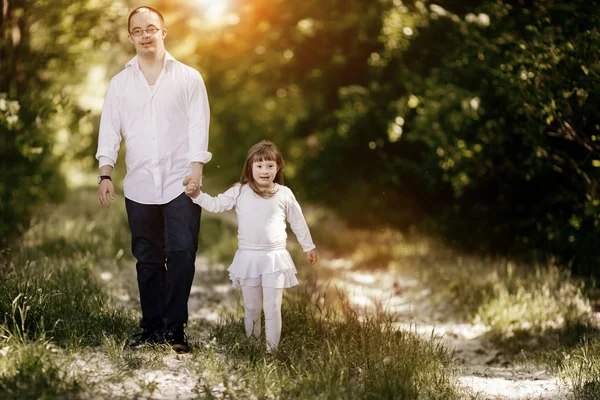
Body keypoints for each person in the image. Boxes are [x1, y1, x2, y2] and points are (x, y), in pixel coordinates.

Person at [95, 6, 211, 353]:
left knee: (181, 252)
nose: (145, 34)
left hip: (181, 181)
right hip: (140, 184)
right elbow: (109, 131)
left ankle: (175, 330)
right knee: (147, 258)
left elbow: (197, 127)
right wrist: (105, 173)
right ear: (130, 37)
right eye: (137, 30)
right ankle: (152, 327)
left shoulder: (189, 78)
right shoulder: (120, 83)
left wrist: (196, 172)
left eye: (151, 28)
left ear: (163, 32)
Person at [184, 140, 318, 352]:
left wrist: (308, 246)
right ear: (250, 167)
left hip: (275, 258)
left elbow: (298, 221)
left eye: (270, 166)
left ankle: (271, 352)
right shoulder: (240, 191)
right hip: (248, 258)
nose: (265, 171)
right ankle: (254, 348)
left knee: (272, 308)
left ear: (278, 167)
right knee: (252, 307)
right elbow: (217, 204)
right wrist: (197, 195)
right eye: (259, 166)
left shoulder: (284, 193)